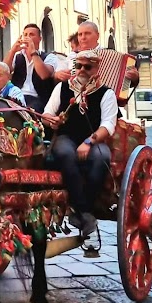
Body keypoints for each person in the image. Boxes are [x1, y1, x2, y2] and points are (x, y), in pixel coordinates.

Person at [42, 49, 118, 245]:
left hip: (93, 141)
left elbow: (108, 125)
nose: (82, 70)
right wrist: (53, 122)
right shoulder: (62, 88)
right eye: (79, 66)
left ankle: (82, 211)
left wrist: (88, 142)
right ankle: (85, 213)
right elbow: (47, 114)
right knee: (66, 154)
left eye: (88, 67)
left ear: (96, 68)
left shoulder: (106, 93)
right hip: (66, 137)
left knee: (101, 159)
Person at [55, 21, 140, 86]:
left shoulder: (112, 55)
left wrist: (134, 78)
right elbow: (55, 76)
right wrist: (57, 75)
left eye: (87, 33)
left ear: (97, 35)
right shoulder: (72, 57)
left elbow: (127, 83)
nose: (83, 37)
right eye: (80, 34)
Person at [3, 23, 57, 112]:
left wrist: (33, 52)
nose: (27, 37)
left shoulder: (50, 57)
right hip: (16, 96)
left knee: (28, 113)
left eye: (31, 34)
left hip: (38, 98)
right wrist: (12, 51)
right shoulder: (17, 56)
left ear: (40, 39)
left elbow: (44, 74)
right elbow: (4, 71)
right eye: (25, 34)